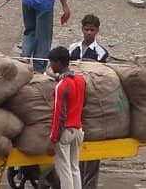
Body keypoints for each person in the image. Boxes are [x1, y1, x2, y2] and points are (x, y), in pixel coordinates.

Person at [49, 46, 86, 189]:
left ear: (58, 63)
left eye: (51, 62)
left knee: (64, 171)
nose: (50, 65)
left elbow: (59, 115)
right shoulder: (80, 80)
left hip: (65, 132)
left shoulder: (62, 86)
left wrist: (53, 140)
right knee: (74, 168)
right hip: (78, 130)